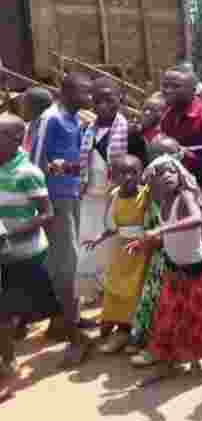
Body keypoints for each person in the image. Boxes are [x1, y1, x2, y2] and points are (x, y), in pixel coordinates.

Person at [126, 155, 202, 387]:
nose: (167, 176)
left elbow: (196, 219)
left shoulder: (185, 197)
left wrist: (160, 229)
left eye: (171, 171)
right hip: (174, 269)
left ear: (180, 175)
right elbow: (169, 237)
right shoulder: (161, 205)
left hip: (198, 272)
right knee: (167, 320)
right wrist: (145, 242)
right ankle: (168, 364)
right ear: (152, 184)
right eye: (160, 173)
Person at [0, 113, 84, 396]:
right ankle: (9, 365)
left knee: (55, 305)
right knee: (4, 313)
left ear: (14, 140)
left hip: (29, 254)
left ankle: (78, 341)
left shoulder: (28, 173)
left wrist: (12, 232)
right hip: (5, 254)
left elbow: (47, 214)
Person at [29, 72, 95, 366]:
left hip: (71, 196)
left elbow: (73, 161)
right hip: (54, 200)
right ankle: (71, 330)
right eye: (85, 92)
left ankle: (69, 318)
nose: (89, 98)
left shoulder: (75, 120)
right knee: (65, 261)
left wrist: (75, 176)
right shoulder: (51, 118)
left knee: (70, 258)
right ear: (67, 91)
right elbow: (35, 160)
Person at [81, 155, 153, 354]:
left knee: (136, 291)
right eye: (123, 173)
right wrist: (98, 238)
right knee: (116, 289)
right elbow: (113, 227)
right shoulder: (114, 195)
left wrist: (143, 241)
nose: (128, 177)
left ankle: (134, 334)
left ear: (141, 174)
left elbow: (152, 225)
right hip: (121, 251)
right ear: (113, 176)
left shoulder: (146, 195)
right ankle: (120, 331)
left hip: (141, 251)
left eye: (134, 172)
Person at [126, 135, 184, 365]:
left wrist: (157, 237)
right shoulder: (149, 188)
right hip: (158, 258)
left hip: (178, 255)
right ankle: (152, 342)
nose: (162, 164)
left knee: (172, 303)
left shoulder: (183, 187)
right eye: (156, 157)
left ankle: (164, 349)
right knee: (154, 300)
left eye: (169, 157)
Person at [160, 68, 202, 255]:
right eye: (164, 85)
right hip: (175, 196)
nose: (167, 90)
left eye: (175, 86)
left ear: (193, 90)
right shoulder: (167, 117)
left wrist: (185, 156)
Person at [78, 78, 130, 311]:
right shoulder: (86, 130)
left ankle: (112, 292)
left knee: (113, 245)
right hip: (90, 195)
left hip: (116, 196)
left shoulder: (130, 131)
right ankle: (91, 291)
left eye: (109, 99)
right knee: (89, 243)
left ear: (121, 99)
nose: (102, 105)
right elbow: (82, 163)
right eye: (97, 100)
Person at [19, 87, 53, 153]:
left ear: (34, 108)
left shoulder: (45, 133)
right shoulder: (29, 125)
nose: (21, 108)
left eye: (24, 104)